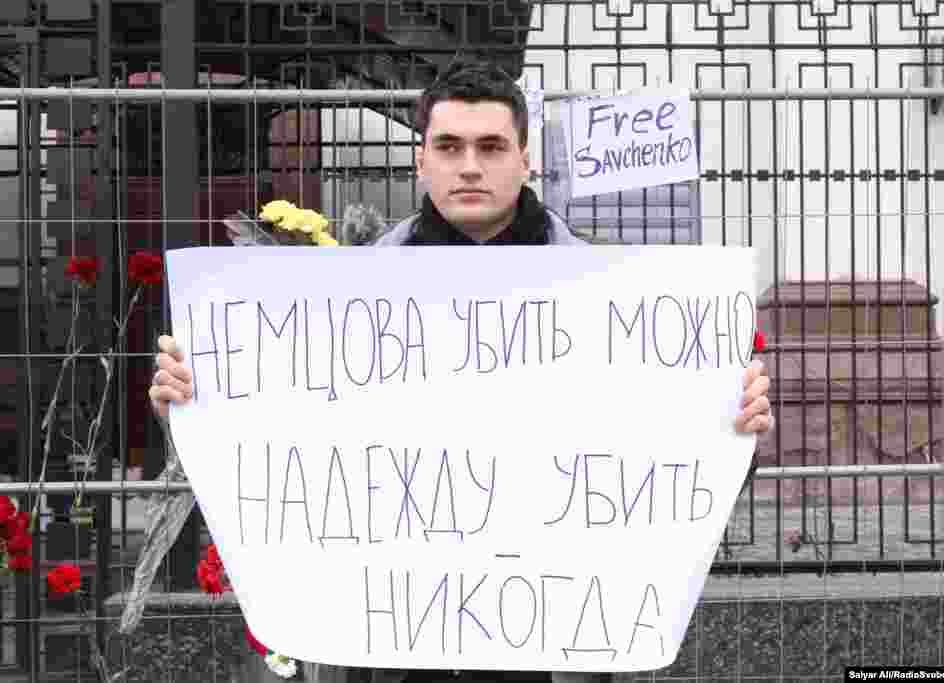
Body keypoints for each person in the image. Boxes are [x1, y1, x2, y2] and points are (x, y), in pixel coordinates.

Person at [148, 60, 774, 683]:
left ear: (525, 160)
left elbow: (666, 476)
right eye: (449, 146)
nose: (470, 166)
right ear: (421, 160)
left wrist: (731, 428)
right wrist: (196, 409)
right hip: (392, 647)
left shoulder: (616, 300)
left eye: (491, 147)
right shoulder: (340, 301)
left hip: (557, 641)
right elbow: (283, 450)